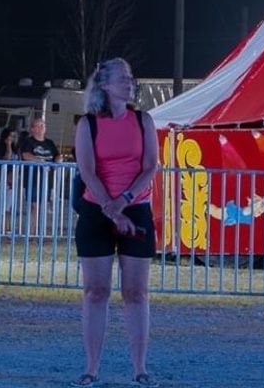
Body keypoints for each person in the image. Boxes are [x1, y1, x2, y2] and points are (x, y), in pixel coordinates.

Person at [72, 57, 159, 387]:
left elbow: (151, 166)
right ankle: (91, 368)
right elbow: (87, 171)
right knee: (96, 292)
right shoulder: (88, 124)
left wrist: (124, 202)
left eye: (130, 76)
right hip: (97, 210)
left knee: (136, 293)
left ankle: (140, 368)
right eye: (123, 78)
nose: (130, 82)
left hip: (135, 208)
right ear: (105, 85)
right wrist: (110, 207)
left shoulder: (144, 121)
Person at [19, 116, 60, 234]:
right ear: (33, 129)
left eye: (43, 125)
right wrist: (39, 160)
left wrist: (58, 159)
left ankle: (40, 231)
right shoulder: (28, 141)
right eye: (39, 125)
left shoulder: (49, 142)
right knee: (35, 206)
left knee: (44, 207)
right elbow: (25, 155)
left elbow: (56, 155)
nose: (42, 128)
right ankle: (33, 232)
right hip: (33, 178)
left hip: (47, 179)